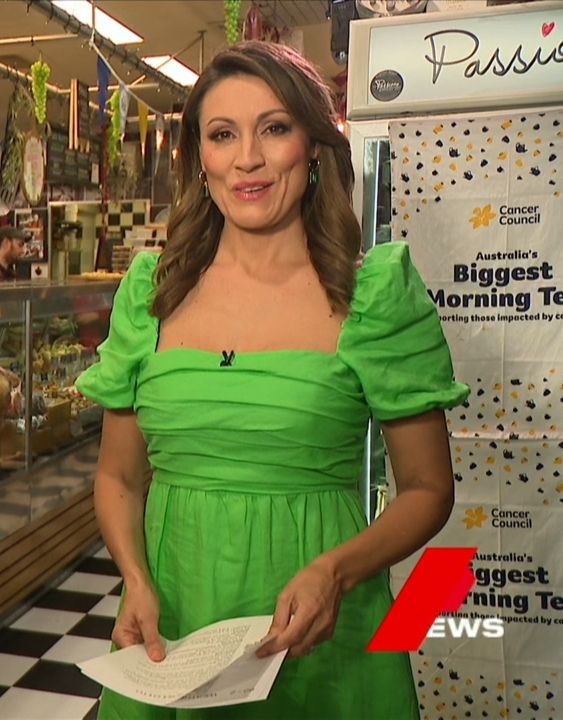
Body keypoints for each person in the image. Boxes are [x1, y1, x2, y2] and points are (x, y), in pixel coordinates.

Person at [76, 41, 469, 720]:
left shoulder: (374, 294)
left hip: (325, 635)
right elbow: (118, 476)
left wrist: (336, 572)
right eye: (223, 134)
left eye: (274, 128)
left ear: (313, 147)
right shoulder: (151, 292)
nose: (248, 159)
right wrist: (134, 578)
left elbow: (429, 489)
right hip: (175, 623)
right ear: (199, 158)